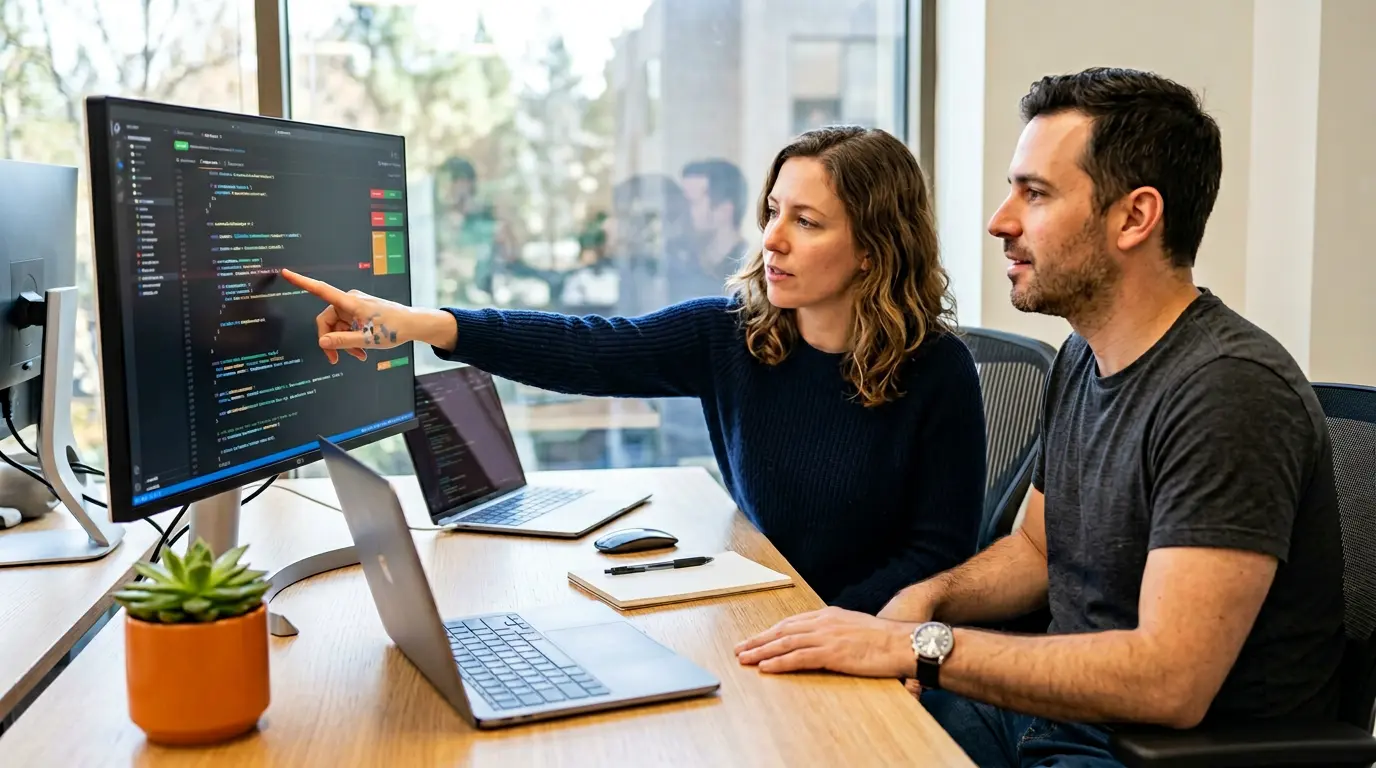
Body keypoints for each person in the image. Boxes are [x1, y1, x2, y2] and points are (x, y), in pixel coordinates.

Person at [733, 68, 1346, 766]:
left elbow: (1170, 681)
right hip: (1047, 718)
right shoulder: (1086, 357)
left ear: (1134, 217)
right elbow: (1037, 551)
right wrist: (922, 601)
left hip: (1145, 752)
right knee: (787, 724)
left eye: (1036, 193)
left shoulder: (1229, 392)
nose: (1002, 220)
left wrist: (917, 647)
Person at [280, 126, 987, 615]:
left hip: (853, 640)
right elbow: (591, 347)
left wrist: (822, 621)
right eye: (773, 210)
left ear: (872, 246)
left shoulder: (938, 372)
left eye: (807, 221)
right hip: (763, 606)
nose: (771, 238)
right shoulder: (732, 334)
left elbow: (938, 552)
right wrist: (425, 324)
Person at [676, 158, 750, 301]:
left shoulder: (749, 275)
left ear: (724, 210)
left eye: (692, 203)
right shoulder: (682, 265)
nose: (681, 211)